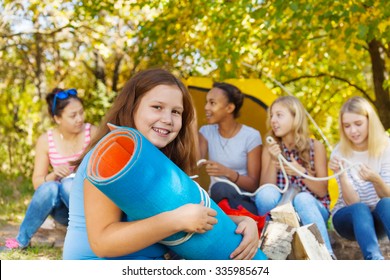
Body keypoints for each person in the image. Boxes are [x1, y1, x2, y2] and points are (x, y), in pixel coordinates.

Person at [63, 68, 260, 260]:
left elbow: (194, 214)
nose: (167, 119)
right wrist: (176, 221)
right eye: (157, 107)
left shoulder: (159, 162)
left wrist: (243, 221)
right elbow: (102, 244)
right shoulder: (108, 156)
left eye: (176, 112)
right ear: (132, 107)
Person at [1, 88, 96, 250]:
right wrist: (54, 174)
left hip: (90, 206)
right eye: (73, 115)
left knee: (68, 184)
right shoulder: (46, 140)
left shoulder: (92, 132)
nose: (79, 119)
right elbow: (38, 184)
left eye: (81, 112)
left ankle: (93, 234)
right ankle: (20, 241)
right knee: (50, 187)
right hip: (64, 212)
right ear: (57, 118)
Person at [254, 95, 335, 258]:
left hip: (311, 208)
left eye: (279, 115)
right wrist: (272, 158)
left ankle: (326, 256)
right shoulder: (270, 148)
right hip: (282, 211)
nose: (273, 120)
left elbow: (321, 191)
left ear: (295, 117)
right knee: (265, 193)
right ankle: (274, 252)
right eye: (271, 116)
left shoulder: (316, 146)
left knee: (303, 198)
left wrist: (300, 172)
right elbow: (265, 192)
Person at [329, 96, 390, 260]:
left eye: (358, 124)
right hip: (348, 219)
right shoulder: (339, 152)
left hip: (379, 219)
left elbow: (388, 197)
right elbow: (353, 202)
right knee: (360, 209)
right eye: (347, 126)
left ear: (370, 121)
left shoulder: (386, 147)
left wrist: (376, 179)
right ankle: (375, 261)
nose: (353, 131)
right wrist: (341, 174)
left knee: (387, 203)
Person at [198, 82, 262, 217]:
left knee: (221, 187)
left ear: (229, 108)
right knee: (217, 191)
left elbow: (253, 185)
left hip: (244, 200)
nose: (206, 107)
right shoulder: (206, 132)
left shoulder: (251, 136)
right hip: (216, 198)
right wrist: (191, 125)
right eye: (206, 102)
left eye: (212, 103)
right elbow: (193, 164)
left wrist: (227, 172)